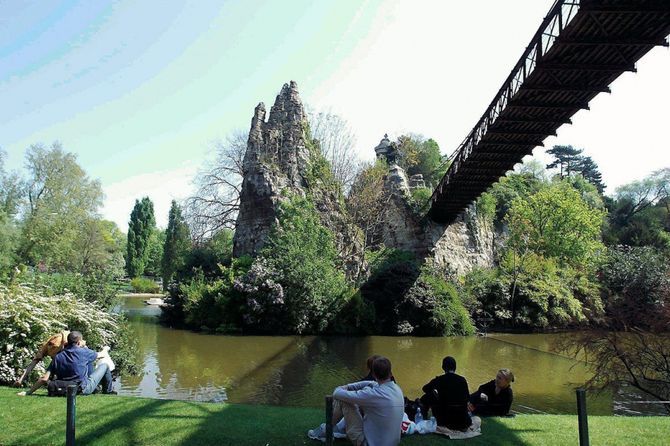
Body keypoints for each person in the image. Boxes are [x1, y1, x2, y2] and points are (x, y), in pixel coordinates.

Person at [309, 356, 404, 446]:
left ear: (374, 374)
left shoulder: (374, 394)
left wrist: (345, 387)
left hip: (368, 443)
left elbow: (336, 393)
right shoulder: (396, 388)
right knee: (357, 395)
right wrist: (350, 386)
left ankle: (326, 431)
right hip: (391, 443)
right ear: (390, 373)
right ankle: (332, 429)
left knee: (343, 400)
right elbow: (372, 383)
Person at [39, 331, 114, 395]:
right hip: (81, 389)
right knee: (105, 366)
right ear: (78, 342)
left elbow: (46, 378)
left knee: (88, 362)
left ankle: (96, 389)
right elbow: (102, 355)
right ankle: (108, 391)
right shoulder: (83, 352)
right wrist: (105, 349)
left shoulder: (58, 356)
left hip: (63, 387)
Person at [419, 356, 471, 431]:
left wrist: (436, 392)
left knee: (427, 397)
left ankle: (423, 418)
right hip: (463, 421)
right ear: (455, 367)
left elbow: (425, 389)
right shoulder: (462, 380)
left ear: (443, 367)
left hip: (444, 420)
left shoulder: (439, 380)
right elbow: (467, 397)